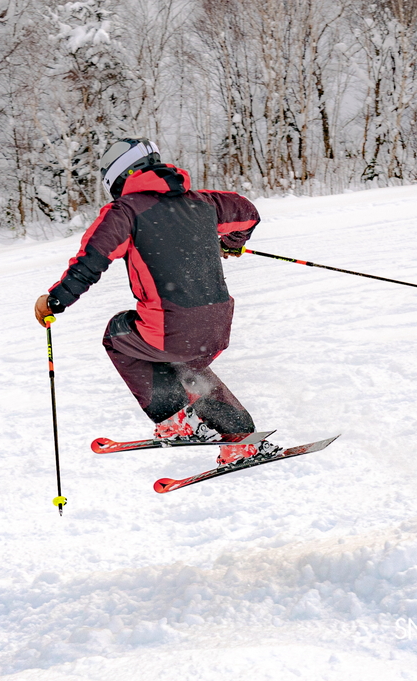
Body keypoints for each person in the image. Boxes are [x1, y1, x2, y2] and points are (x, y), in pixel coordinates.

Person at [33, 138, 276, 466]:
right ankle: (241, 437)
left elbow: (93, 257)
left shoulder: (126, 211)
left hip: (171, 327)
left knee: (118, 337)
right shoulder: (204, 203)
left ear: (118, 178)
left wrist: (55, 301)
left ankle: (177, 423)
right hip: (217, 326)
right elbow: (248, 212)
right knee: (182, 363)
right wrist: (232, 243)